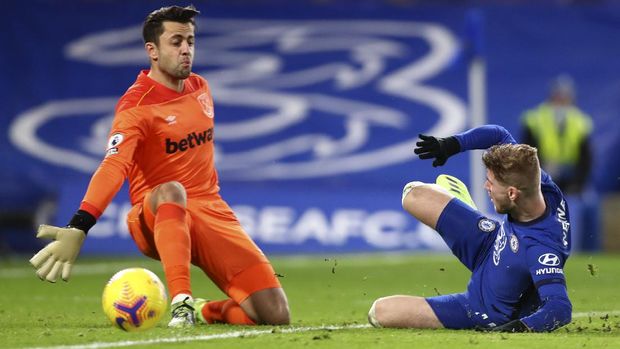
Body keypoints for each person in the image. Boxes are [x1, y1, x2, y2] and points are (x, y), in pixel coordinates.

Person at [29, 5, 290, 328]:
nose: (186, 50)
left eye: (191, 41)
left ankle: (201, 310)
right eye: (176, 41)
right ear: (152, 50)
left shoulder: (200, 88)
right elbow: (114, 166)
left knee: (274, 315)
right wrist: (80, 224)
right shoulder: (137, 106)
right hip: (154, 215)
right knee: (172, 189)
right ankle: (180, 302)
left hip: (210, 212)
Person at [367, 125, 572, 332]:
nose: (486, 187)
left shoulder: (541, 249)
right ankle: (474, 216)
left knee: (380, 311)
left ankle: (469, 213)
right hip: (490, 242)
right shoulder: (537, 182)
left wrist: (512, 329)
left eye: (491, 183)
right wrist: (451, 145)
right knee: (413, 194)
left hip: (480, 308)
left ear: (512, 194)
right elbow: (498, 134)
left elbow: (559, 309)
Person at [521, 74, 593, 195]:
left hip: (571, 177)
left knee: (588, 202)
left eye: (565, 98)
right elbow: (526, 155)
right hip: (542, 175)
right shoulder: (534, 120)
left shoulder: (581, 122)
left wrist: (577, 184)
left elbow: (586, 160)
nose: (561, 102)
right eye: (558, 97)